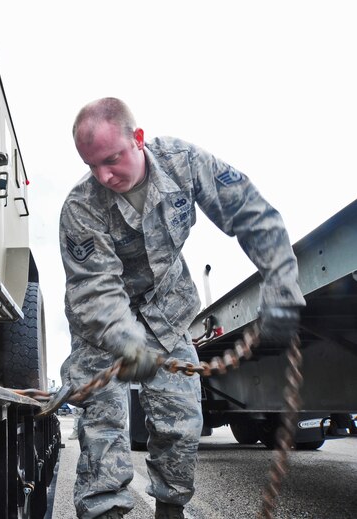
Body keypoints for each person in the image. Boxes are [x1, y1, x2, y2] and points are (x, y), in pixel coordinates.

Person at [59, 97, 305, 519]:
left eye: (112, 159)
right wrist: (126, 341)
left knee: (182, 421)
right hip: (102, 327)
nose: (103, 175)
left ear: (137, 139)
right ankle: (104, 512)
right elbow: (96, 291)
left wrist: (281, 280)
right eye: (92, 164)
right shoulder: (81, 208)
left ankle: (170, 509)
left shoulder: (182, 163)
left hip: (167, 313)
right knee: (104, 422)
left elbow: (249, 211)